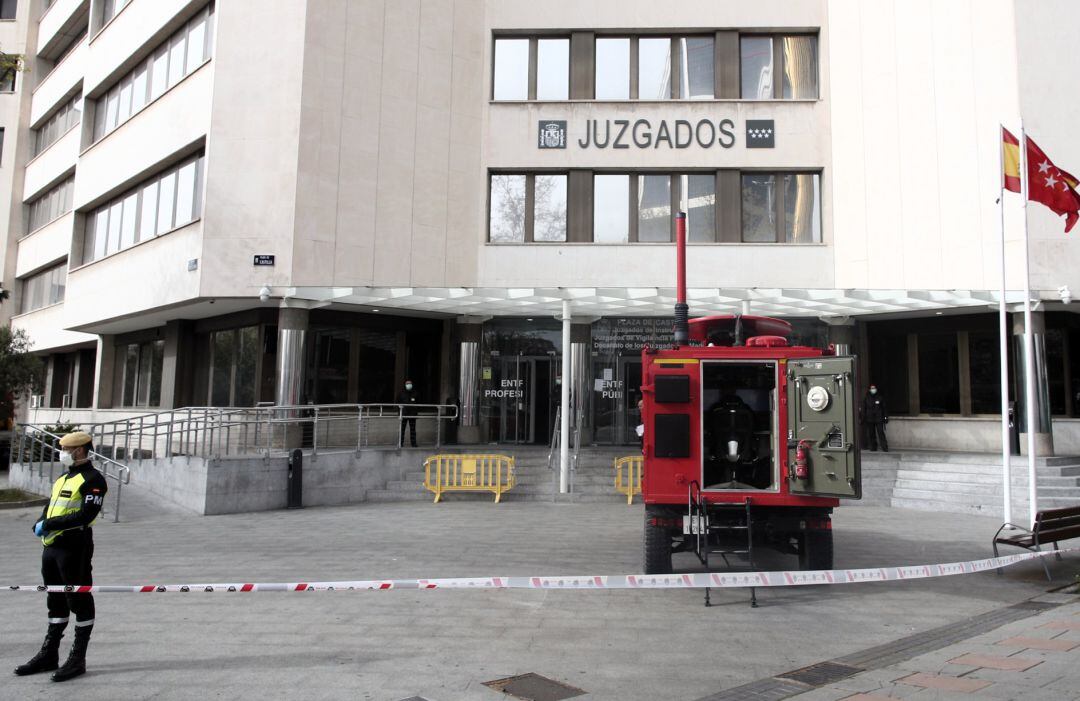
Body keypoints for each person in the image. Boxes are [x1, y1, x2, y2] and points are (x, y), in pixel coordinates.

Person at [15, 431, 107, 682]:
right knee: (55, 601)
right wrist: (40, 522)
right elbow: (50, 506)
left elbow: (86, 515)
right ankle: (49, 654)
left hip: (74, 546)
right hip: (52, 547)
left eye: (66, 449)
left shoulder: (93, 479)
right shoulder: (64, 478)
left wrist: (51, 523)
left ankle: (78, 658)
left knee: (78, 600)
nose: (62, 452)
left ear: (79, 450)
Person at [863, 384, 889, 452]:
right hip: (870, 419)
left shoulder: (880, 397)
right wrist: (863, 417)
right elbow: (864, 408)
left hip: (879, 418)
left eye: (874, 388)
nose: (873, 389)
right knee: (871, 434)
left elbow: (884, 408)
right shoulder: (867, 397)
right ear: (869, 389)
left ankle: (884, 447)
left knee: (880, 433)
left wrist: (885, 417)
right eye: (872, 388)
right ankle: (873, 447)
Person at [397, 379, 420, 447]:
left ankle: (413, 443)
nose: (409, 385)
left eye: (410, 383)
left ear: (412, 385)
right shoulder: (401, 393)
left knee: (413, 430)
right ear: (405, 385)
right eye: (407, 384)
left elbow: (418, 403)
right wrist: (399, 413)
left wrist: (416, 412)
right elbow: (397, 403)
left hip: (412, 414)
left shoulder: (415, 393)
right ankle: (400, 443)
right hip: (404, 414)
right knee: (402, 430)